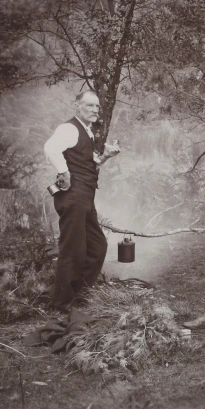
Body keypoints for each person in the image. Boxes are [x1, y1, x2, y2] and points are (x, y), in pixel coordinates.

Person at [44, 90, 121, 312]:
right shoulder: (69, 128)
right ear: (77, 106)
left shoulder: (86, 131)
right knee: (73, 251)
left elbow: (88, 165)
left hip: (85, 197)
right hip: (74, 197)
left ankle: (77, 295)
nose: (95, 110)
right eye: (89, 106)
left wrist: (105, 156)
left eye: (97, 107)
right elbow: (50, 148)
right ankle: (62, 304)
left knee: (97, 247)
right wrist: (63, 172)